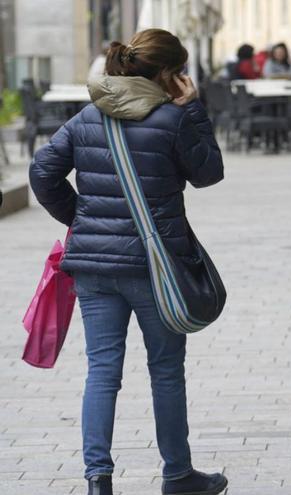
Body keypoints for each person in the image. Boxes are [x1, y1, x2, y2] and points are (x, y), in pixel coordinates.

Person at [29, 28, 227, 495]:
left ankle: (98, 479)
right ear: (166, 74)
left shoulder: (85, 117)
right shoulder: (173, 120)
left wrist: (79, 217)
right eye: (178, 72)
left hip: (94, 271)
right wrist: (193, 108)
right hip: (154, 267)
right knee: (165, 370)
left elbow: (42, 171)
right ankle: (177, 474)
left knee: (102, 370)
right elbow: (209, 174)